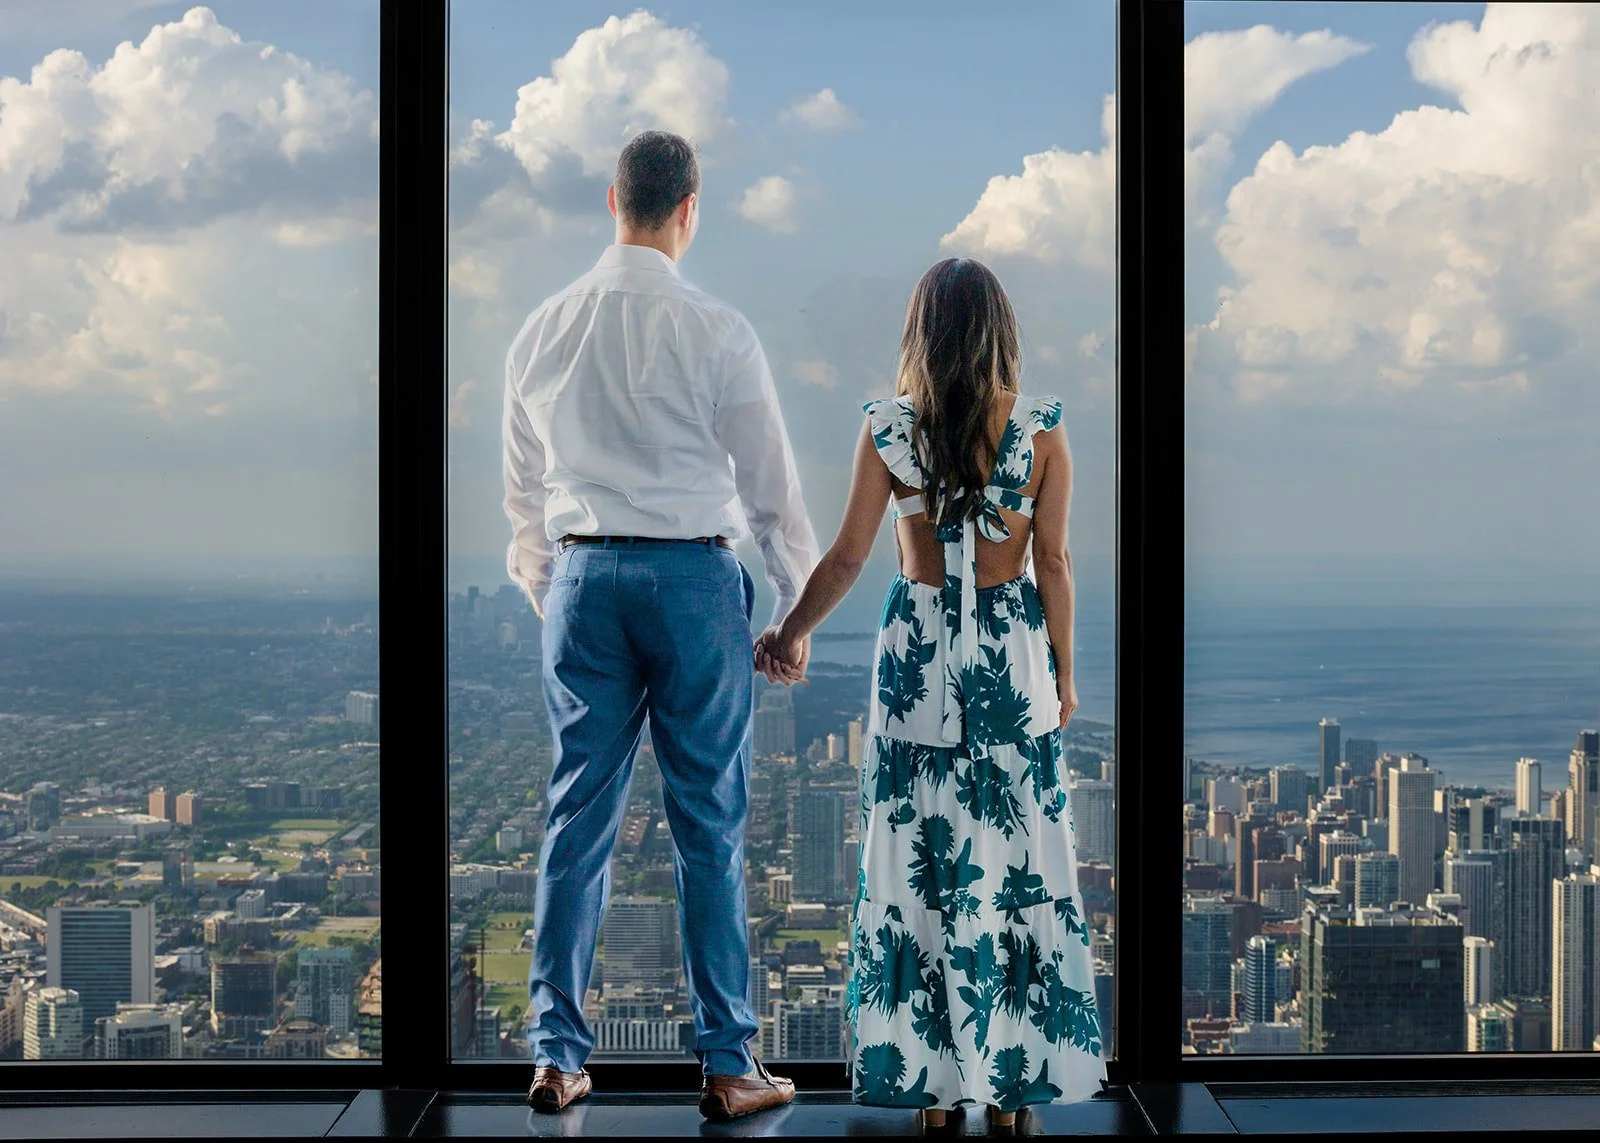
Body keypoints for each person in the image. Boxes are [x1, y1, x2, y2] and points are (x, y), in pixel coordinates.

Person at [503, 129, 819, 1122]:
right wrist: (793, 613)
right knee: (708, 825)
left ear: (612, 200)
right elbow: (771, 490)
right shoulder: (718, 328)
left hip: (583, 575)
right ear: (689, 208)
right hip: (692, 582)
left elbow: (523, 500)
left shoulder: (542, 328)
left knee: (576, 819)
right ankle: (729, 1065)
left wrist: (558, 590)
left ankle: (556, 1058)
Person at [755, 258, 1106, 1132]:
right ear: (1001, 331)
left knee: (921, 872)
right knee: (1017, 869)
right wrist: (1064, 673)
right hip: (1011, 664)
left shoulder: (888, 427)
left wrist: (790, 630)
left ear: (923, 332)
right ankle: (1014, 1090)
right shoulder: (1043, 429)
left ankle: (933, 1092)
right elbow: (1053, 562)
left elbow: (847, 557)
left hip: (918, 665)